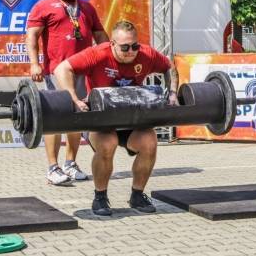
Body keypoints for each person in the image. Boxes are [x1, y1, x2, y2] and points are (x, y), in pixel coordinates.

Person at [54, 20, 178, 215]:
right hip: (101, 120)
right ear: (112, 44)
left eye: (134, 46)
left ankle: (137, 195)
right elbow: (62, 69)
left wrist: (172, 93)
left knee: (149, 142)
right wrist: (73, 99)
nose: (131, 51)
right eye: (125, 47)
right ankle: (100, 198)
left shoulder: (146, 54)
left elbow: (169, 67)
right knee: (107, 143)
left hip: (132, 118)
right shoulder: (98, 54)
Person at [26, 0, 109, 186]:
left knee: (77, 117)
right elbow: (32, 37)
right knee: (54, 119)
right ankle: (53, 168)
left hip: (83, 71)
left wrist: (109, 59)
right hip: (56, 71)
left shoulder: (87, 8)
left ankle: (70, 164)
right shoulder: (43, 6)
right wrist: (34, 64)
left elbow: (101, 36)